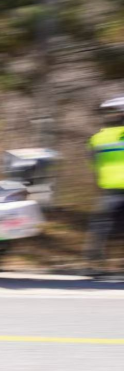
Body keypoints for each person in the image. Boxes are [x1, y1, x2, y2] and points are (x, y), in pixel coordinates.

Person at [84, 97, 124, 275]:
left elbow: (92, 164)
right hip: (114, 191)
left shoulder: (97, 139)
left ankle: (93, 265)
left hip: (109, 191)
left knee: (101, 228)